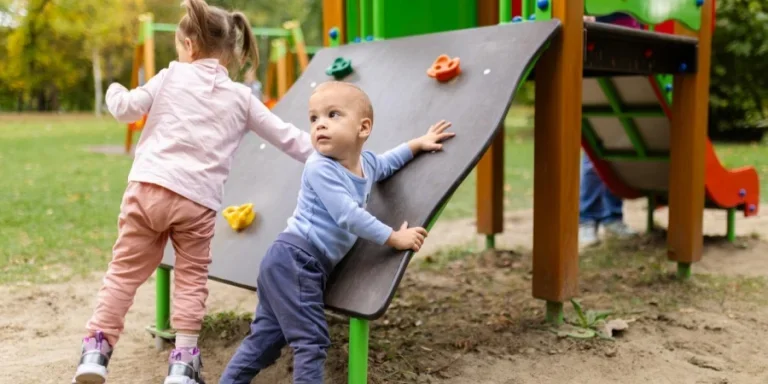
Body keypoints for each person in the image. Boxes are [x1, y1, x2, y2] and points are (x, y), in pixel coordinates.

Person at [71, 1, 315, 383]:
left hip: (148, 189)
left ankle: (96, 350)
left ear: (189, 45)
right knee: (191, 278)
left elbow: (126, 110)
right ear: (231, 51)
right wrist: (334, 154)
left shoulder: (171, 76)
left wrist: (115, 90)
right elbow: (289, 139)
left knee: (122, 273)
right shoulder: (242, 98)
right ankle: (183, 363)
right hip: (196, 203)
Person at [219, 81, 456, 384]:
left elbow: (386, 163)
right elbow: (348, 216)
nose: (320, 125)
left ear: (363, 128)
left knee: (264, 342)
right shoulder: (319, 168)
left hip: (293, 264)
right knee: (311, 342)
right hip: (296, 261)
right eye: (314, 118)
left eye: (332, 115)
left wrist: (418, 144)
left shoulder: (366, 164)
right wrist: (393, 237)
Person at [579, 12, 641, 247]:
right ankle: (588, 219)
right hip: (598, 48)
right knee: (594, 155)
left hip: (630, 50)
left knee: (619, 148)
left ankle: (612, 217)